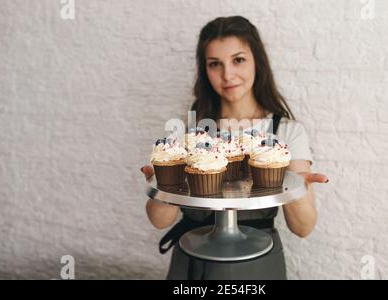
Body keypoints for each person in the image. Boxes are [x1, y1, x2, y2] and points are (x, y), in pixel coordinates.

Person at [141, 16, 328, 280]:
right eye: (215, 64)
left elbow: (303, 228)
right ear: (204, 70)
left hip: (258, 265)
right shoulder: (190, 133)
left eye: (238, 60)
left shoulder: (285, 132)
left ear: (257, 62)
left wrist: (296, 186)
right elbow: (159, 221)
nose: (227, 74)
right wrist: (164, 183)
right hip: (194, 262)